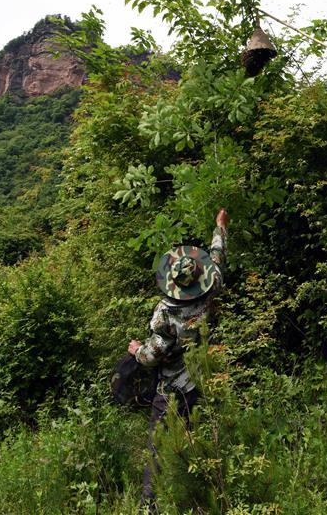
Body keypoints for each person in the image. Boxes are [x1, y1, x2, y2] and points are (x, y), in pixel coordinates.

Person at [128, 207, 229, 506]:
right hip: (202, 378)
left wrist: (136, 350)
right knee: (201, 438)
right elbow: (218, 257)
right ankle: (204, 499)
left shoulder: (166, 313)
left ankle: (149, 507)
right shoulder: (212, 289)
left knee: (158, 446)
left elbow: (153, 355)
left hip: (171, 388)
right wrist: (220, 227)